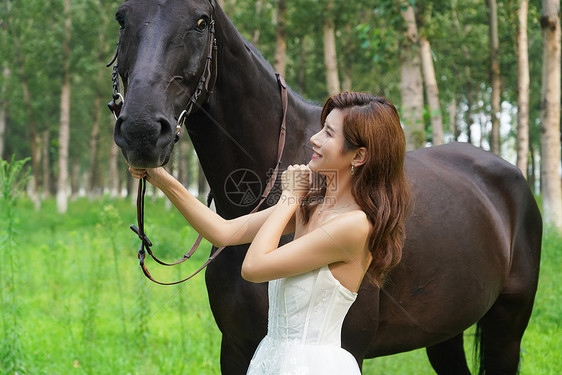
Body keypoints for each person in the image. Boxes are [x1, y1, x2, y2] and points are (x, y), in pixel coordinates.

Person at [129, 92, 410, 374]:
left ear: (359, 156)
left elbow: (253, 268)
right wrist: (158, 176)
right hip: (272, 360)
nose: (315, 138)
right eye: (322, 128)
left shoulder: (354, 226)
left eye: (328, 133)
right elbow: (223, 232)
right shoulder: (311, 204)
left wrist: (288, 198)